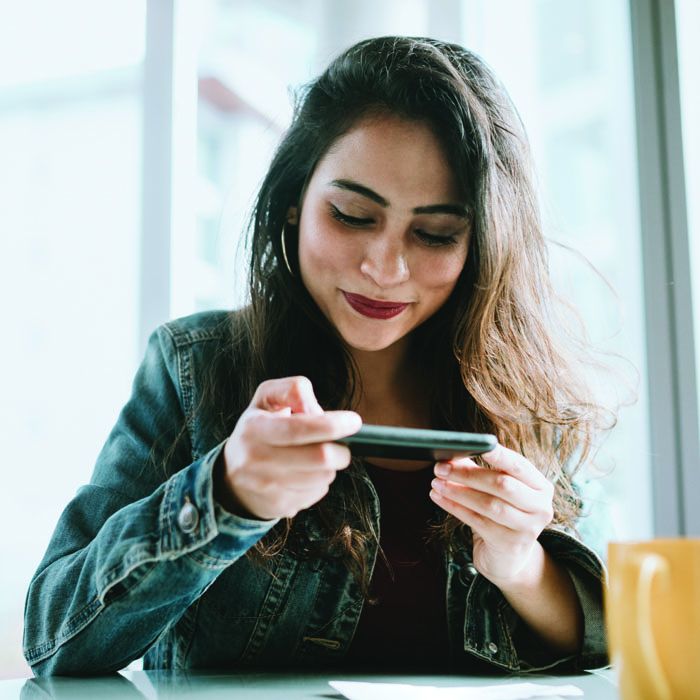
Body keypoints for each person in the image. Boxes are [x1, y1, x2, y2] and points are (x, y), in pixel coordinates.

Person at [23, 36, 610, 676]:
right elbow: (54, 640)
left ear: (483, 245)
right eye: (353, 215)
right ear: (295, 201)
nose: (385, 268)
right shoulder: (194, 368)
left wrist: (522, 563)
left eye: (435, 233)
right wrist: (225, 495)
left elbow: (607, 639)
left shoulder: (526, 395)